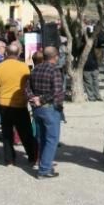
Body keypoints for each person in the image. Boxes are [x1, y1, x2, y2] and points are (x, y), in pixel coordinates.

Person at [0, 43, 39, 167]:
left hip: (4, 104)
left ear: (6, 53)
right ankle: (32, 157)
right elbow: (28, 85)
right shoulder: (24, 67)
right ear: (18, 54)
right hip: (20, 104)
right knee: (26, 133)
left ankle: (9, 159)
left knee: (7, 133)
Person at [27, 45, 65, 178]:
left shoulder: (35, 69)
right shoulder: (54, 71)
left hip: (37, 109)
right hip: (49, 108)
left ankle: (43, 163)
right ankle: (44, 169)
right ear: (56, 57)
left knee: (42, 138)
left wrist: (33, 98)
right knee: (51, 139)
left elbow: (27, 88)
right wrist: (41, 99)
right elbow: (57, 91)